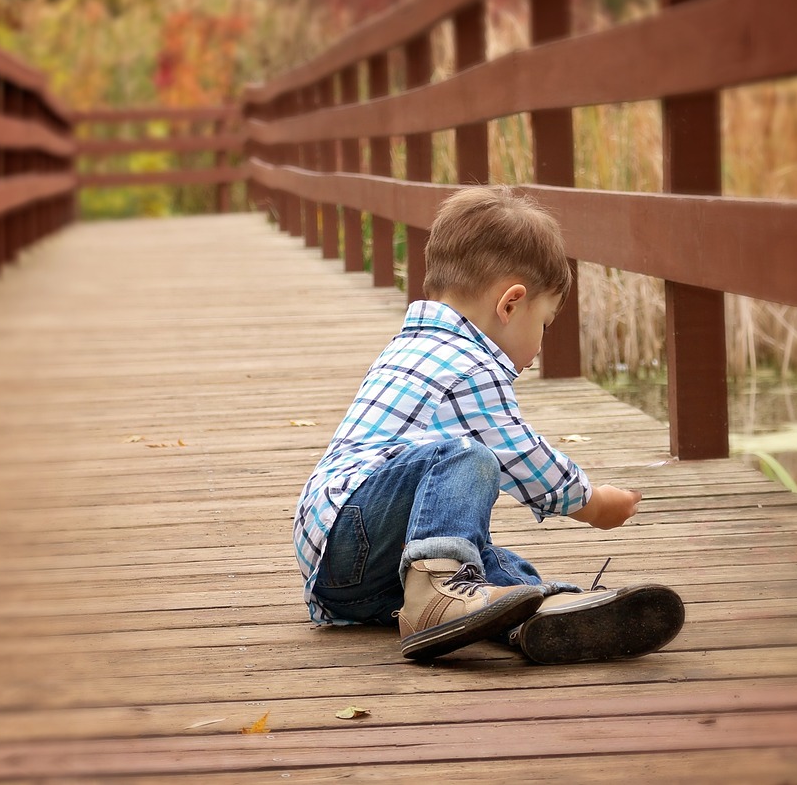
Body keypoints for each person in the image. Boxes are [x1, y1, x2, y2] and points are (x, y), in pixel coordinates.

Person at [293, 185, 684, 663]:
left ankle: (535, 610)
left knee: (481, 556)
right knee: (465, 454)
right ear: (510, 304)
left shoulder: (411, 346)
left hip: (352, 567)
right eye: (543, 323)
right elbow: (520, 455)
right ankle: (446, 596)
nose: (539, 345)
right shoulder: (468, 366)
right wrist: (592, 503)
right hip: (353, 535)